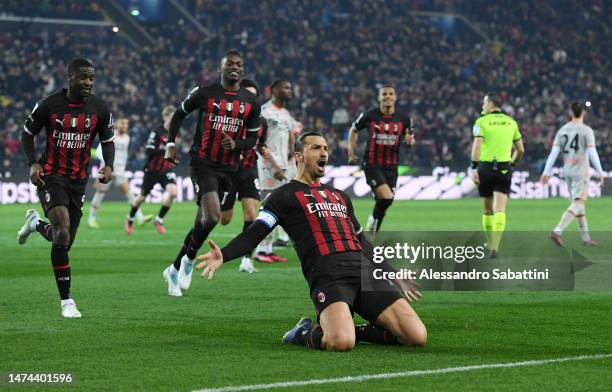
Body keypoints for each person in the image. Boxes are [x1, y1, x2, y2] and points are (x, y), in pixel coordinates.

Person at [196, 131, 427, 351]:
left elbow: (361, 241)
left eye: (326, 148)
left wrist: (390, 272)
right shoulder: (282, 196)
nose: (324, 153)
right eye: (316, 148)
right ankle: (304, 332)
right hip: (329, 276)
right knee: (340, 343)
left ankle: (358, 330)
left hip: (364, 273)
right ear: (298, 156)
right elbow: (256, 233)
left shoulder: (340, 196)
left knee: (417, 336)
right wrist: (224, 254)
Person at [17, 58, 115, 318]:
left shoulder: (99, 109)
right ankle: (67, 302)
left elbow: (107, 140)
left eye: (92, 78)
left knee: (64, 239)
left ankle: (36, 225)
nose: (88, 83)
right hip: (52, 176)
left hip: (78, 181)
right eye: (83, 77)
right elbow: (27, 133)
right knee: (61, 234)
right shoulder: (49, 105)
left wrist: (109, 165)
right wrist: (32, 164)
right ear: (70, 76)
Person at [161, 50, 261, 296]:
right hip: (202, 163)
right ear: (221, 68)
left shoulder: (251, 101)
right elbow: (178, 114)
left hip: (230, 168)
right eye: (229, 65)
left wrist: (237, 144)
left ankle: (174, 269)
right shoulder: (204, 93)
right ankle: (188, 259)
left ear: (243, 70)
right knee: (214, 216)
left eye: (239, 64)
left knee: (201, 222)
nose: (234, 68)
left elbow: (252, 140)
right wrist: (170, 143)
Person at [347, 85, 414, 233]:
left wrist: (409, 142)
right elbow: (354, 129)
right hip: (372, 164)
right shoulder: (370, 115)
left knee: (386, 201)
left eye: (391, 94)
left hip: (392, 166)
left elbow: (410, 141)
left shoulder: (404, 118)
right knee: (386, 198)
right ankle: (371, 226)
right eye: (384, 94)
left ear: (395, 97)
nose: (388, 96)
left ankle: (371, 234)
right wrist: (351, 153)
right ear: (379, 98)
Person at [540, 101, 604, 247]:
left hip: (567, 171)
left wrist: (546, 172)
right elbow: (592, 153)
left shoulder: (562, 130)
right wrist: (600, 172)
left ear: (571, 112)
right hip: (581, 171)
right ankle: (557, 231)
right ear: (584, 113)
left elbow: (553, 153)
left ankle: (586, 239)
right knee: (578, 202)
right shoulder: (586, 130)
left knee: (579, 205)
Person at [219, 79, 266, 273]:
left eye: (254, 94)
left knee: (252, 215)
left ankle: (246, 259)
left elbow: (260, 143)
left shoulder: (261, 122)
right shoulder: (229, 117)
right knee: (224, 219)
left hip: (248, 170)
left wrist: (267, 152)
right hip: (229, 170)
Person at [470, 93, 524, 258]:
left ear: (491, 103)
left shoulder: (481, 122)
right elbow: (521, 149)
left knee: (487, 211)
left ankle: (490, 243)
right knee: (500, 209)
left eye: (484, 103)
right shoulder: (511, 122)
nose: (482, 106)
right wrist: (512, 163)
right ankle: (495, 247)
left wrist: (473, 167)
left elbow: (477, 144)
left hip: (485, 168)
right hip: (504, 168)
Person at [254, 80, 298, 263]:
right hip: (268, 166)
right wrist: (274, 166)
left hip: (285, 167)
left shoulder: (286, 115)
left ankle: (268, 249)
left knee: (279, 208)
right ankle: (259, 250)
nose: (289, 91)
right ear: (273, 90)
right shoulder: (264, 112)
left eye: (290, 88)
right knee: (267, 207)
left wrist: (294, 156)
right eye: (285, 88)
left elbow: (290, 138)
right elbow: (258, 143)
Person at [87, 116, 150, 228]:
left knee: (129, 193)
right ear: (117, 124)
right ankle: (91, 218)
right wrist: (103, 166)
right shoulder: (110, 135)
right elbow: (99, 150)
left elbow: (123, 155)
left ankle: (140, 217)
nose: (125, 126)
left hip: (120, 171)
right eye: (123, 123)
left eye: (126, 124)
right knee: (99, 193)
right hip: (107, 169)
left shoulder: (127, 138)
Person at [125, 106, 178, 235]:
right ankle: (130, 219)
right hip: (152, 170)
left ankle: (159, 220)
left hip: (166, 169)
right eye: (172, 116)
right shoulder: (157, 132)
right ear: (165, 116)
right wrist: (164, 149)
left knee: (173, 192)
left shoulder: (174, 132)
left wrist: (174, 158)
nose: (174, 119)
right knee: (142, 196)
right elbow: (148, 151)